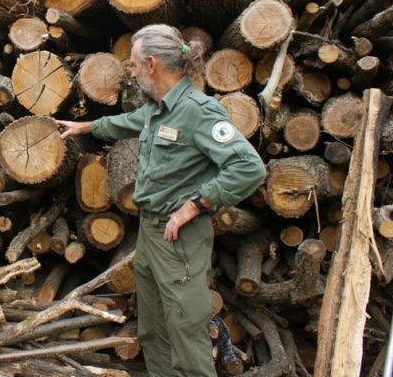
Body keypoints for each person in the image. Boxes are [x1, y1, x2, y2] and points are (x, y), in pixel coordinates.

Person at [57, 24, 266, 377]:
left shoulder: (200, 111)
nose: (134, 73)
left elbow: (249, 167)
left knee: (187, 330)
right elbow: (131, 121)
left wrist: (194, 206)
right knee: (152, 329)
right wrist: (87, 128)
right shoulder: (158, 108)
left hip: (179, 237)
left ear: (152, 63)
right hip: (151, 232)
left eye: (135, 65)